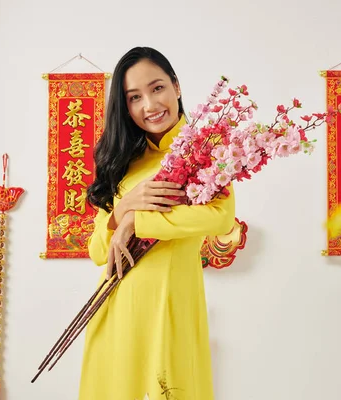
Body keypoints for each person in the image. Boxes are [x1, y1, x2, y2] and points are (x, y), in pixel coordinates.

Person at [80, 46, 235, 400]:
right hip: (116, 310)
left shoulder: (204, 152)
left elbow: (219, 215)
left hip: (172, 308)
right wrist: (120, 213)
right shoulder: (123, 162)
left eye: (157, 88)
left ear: (176, 86)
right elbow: (97, 251)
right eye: (135, 97)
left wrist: (136, 220)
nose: (149, 105)